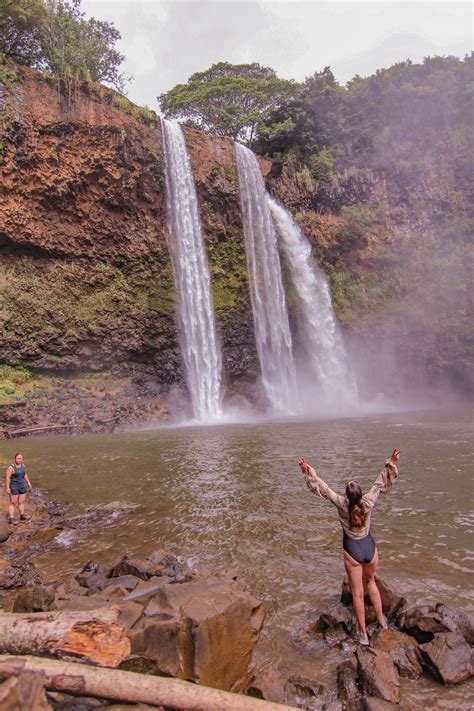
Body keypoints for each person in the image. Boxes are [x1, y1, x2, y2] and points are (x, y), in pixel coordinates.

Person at [298, 448, 401, 645]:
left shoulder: (340, 503)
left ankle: (363, 635)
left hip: (352, 551)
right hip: (369, 549)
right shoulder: (368, 502)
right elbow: (380, 483)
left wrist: (307, 470)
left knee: (357, 593)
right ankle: (382, 620)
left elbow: (323, 488)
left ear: (346, 496)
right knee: (371, 584)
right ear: (360, 495)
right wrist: (392, 461)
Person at [5, 452, 32, 526]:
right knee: (13, 503)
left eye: (20, 458)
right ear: (15, 459)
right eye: (17, 458)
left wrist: (28, 483)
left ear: (22, 459)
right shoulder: (11, 467)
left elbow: (25, 474)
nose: (19, 460)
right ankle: (11, 520)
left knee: (22, 502)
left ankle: (22, 515)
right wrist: (7, 488)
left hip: (22, 486)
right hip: (14, 487)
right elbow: (7, 478)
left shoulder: (23, 465)